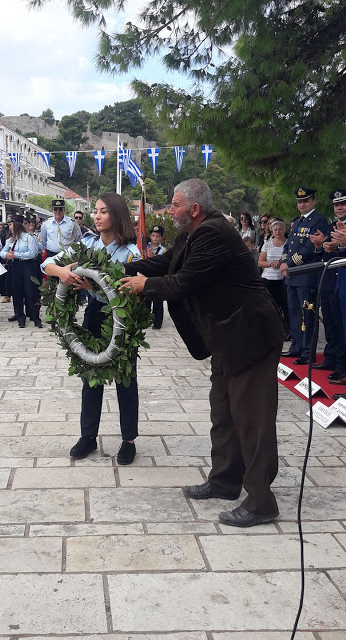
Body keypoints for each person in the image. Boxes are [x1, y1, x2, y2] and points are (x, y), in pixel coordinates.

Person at [120, 179, 286, 527]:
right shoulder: (190, 234)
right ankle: (225, 481)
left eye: (176, 204)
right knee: (223, 412)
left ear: (194, 208)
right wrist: (122, 271)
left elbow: (184, 282)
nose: (170, 210)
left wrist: (144, 287)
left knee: (253, 418)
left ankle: (261, 501)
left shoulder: (213, 233)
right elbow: (166, 264)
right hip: (228, 338)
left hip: (250, 334)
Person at [42, 192, 141, 465]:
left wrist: (94, 287)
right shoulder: (86, 246)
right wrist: (63, 273)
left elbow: (131, 293)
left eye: (103, 211)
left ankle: (128, 440)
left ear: (117, 215)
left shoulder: (131, 253)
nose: (96, 216)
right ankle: (88, 437)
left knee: (125, 378)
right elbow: (46, 264)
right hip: (95, 316)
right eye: (95, 211)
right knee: (90, 375)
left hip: (122, 319)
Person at [280, 187, 329, 364]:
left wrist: (290, 263)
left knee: (307, 315)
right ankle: (296, 347)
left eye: (305, 201)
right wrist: (283, 261)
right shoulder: (299, 222)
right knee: (294, 314)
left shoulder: (318, 221)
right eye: (300, 202)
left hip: (306, 275)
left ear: (313, 202)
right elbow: (289, 244)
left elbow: (309, 249)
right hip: (292, 276)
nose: (302, 204)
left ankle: (307, 352)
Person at [310, 189, 346, 386]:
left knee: (342, 327)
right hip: (332, 281)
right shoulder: (333, 227)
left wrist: (340, 247)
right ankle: (336, 362)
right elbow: (324, 258)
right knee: (332, 326)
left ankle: (342, 365)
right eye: (336, 205)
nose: (339, 208)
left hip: (342, 282)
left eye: (343, 204)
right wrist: (319, 246)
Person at [1, 213, 41, 328]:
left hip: (27, 266)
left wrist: (17, 255)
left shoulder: (29, 238)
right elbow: (2, 252)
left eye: (11, 225)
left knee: (30, 292)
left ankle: (34, 316)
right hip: (15, 267)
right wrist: (7, 254)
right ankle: (20, 316)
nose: (9, 227)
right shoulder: (10, 240)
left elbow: (32, 253)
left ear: (17, 225)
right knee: (17, 292)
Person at [258, 220, 289, 324]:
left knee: (285, 305)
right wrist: (271, 264)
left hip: (282, 279)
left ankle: (287, 329)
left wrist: (281, 262)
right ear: (272, 231)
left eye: (280, 229)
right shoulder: (267, 244)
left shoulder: (288, 243)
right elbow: (260, 262)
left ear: (284, 230)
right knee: (270, 306)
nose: (278, 232)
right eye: (275, 230)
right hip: (268, 279)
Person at [144, 225, 167, 329]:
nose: (155, 238)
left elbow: (164, 265)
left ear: (161, 237)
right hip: (146, 277)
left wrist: (154, 258)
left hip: (157, 278)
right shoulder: (144, 247)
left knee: (157, 302)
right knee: (146, 301)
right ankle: (144, 321)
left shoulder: (164, 251)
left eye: (157, 236)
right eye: (153, 235)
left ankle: (157, 323)